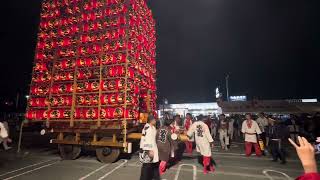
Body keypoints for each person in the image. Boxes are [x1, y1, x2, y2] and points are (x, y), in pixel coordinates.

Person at [139, 115, 160, 180]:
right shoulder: (148, 128)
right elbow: (146, 140)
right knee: (147, 167)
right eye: (154, 120)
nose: (155, 121)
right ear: (151, 120)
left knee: (152, 166)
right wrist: (149, 150)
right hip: (148, 150)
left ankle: (155, 177)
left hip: (152, 149)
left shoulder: (152, 127)